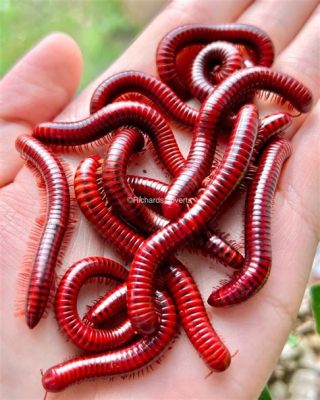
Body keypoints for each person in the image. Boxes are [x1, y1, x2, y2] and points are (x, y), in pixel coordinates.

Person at [0, 0, 319, 398]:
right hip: (162, 197)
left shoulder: (225, 132)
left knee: (183, 204)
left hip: (179, 187)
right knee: (175, 211)